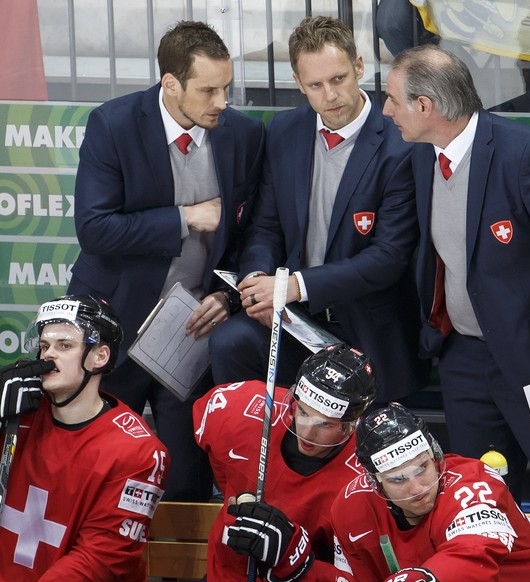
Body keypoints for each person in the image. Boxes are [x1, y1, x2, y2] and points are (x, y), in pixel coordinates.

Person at [67, 21, 265, 501]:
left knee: (186, 477)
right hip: (117, 321)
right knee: (97, 468)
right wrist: (185, 217)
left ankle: (181, 574)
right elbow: (94, 229)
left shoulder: (245, 135)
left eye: (227, 87)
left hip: (192, 330)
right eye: (208, 90)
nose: (222, 101)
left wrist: (227, 295)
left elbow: (256, 231)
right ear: (170, 83)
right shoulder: (113, 124)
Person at [382, 43, 530, 513]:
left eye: (393, 99)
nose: (386, 110)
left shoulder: (526, 154)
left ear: (425, 106)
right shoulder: (421, 156)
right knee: (476, 507)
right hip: (464, 361)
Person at [210, 15, 428, 404]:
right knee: (231, 341)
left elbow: (389, 257)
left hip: (365, 329)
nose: (330, 95)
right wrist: (258, 279)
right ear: (298, 84)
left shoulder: (401, 142)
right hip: (297, 321)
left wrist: (296, 285)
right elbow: (266, 226)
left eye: (339, 78)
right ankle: (250, 460)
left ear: (359, 66)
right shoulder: (284, 132)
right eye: (315, 84)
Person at [0, 295, 169, 580]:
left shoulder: (139, 450)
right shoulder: (16, 415)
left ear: (100, 357)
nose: (47, 356)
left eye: (64, 345)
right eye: (44, 346)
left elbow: (100, 560)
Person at [331, 403, 530, 581]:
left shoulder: (475, 483)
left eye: (422, 468)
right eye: (397, 479)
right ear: (375, 482)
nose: (417, 488)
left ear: (435, 455)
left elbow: (471, 555)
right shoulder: (351, 506)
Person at [193, 343, 377, 580]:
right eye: (303, 412)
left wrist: (298, 560)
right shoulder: (243, 409)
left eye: (325, 424)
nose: (307, 433)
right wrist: (234, 489)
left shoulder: (367, 477)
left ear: (351, 425)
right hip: (226, 572)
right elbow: (214, 448)